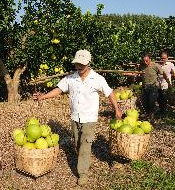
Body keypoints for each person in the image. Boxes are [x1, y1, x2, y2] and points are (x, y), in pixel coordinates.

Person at [33, 49, 122, 186]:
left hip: (89, 118)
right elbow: (59, 90)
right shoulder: (71, 78)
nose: (79, 67)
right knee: (78, 144)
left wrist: (116, 109)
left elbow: (110, 93)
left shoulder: (97, 79)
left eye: (82, 64)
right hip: (75, 117)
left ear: (89, 63)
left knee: (85, 145)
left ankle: (83, 173)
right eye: (77, 64)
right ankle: (84, 161)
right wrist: (42, 97)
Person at [123, 53, 171, 119]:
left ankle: (151, 117)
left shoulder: (155, 65)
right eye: (144, 61)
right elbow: (136, 74)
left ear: (150, 59)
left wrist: (169, 83)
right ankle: (147, 116)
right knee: (144, 102)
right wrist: (127, 74)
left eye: (147, 61)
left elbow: (164, 74)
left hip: (153, 87)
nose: (145, 62)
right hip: (144, 87)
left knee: (151, 102)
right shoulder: (141, 66)